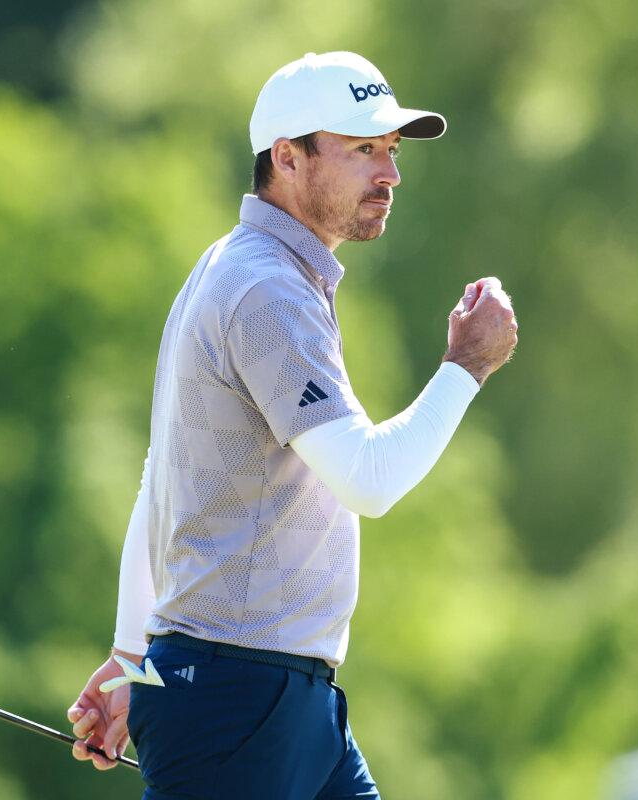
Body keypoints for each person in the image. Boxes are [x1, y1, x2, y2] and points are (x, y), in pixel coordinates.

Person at [66, 51, 518, 799]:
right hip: (235, 699)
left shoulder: (243, 268)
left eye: (392, 151)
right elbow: (367, 482)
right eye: (363, 149)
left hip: (277, 700)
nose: (390, 174)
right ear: (287, 158)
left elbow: (164, 479)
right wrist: (466, 368)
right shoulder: (267, 288)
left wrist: (128, 656)